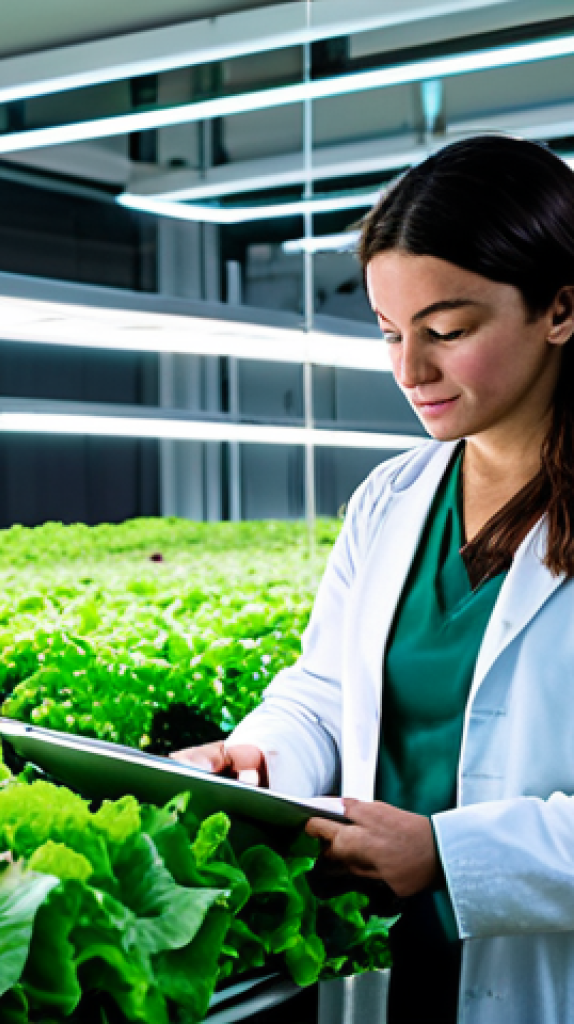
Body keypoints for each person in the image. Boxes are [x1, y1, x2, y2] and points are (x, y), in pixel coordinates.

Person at [173, 134, 574, 1024]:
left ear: (560, 309)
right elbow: (324, 689)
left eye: (448, 333)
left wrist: (449, 855)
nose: (409, 372)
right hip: (385, 958)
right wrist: (262, 756)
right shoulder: (392, 499)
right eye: (391, 333)